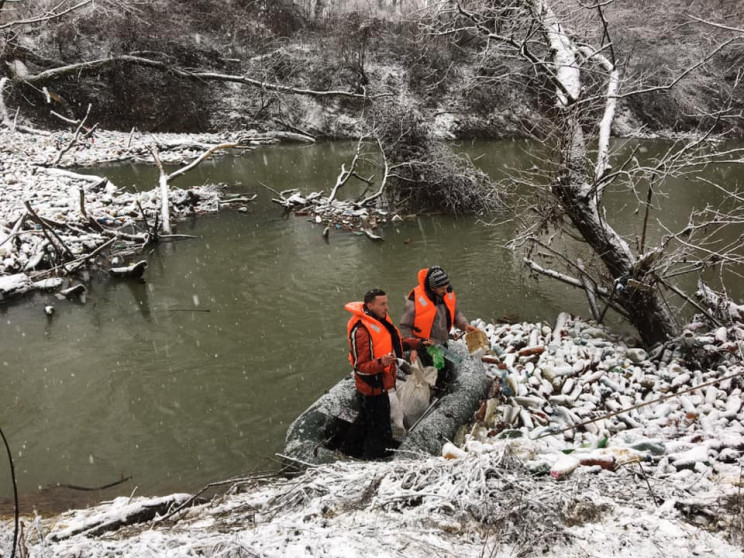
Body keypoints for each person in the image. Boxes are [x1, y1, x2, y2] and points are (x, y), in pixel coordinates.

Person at [345, 289, 422, 460]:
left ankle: (349, 449)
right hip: (373, 387)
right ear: (370, 305)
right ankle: (375, 458)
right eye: (382, 304)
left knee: (365, 419)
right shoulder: (362, 332)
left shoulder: (380, 321)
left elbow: (395, 344)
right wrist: (382, 363)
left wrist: (417, 343)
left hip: (381, 382)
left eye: (386, 303)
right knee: (380, 428)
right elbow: (361, 366)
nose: (386, 307)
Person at [399, 266, 476, 387]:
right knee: (432, 373)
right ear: (433, 288)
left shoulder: (447, 295)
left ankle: (443, 387)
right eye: (442, 289)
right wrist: (413, 348)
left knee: (446, 371)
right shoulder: (414, 300)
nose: (445, 291)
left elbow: (455, 314)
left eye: (446, 287)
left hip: (442, 341)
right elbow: (405, 326)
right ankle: (433, 391)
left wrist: (465, 325)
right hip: (425, 346)